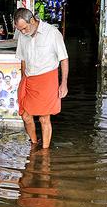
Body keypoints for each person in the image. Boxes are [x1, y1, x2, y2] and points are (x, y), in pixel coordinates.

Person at [14, 8, 68, 149]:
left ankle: (44, 151)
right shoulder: (22, 35)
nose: (23, 32)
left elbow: (64, 59)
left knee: (44, 118)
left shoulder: (52, 33)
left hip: (47, 79)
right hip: (29, 79)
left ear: (32, 20)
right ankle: (34, 143)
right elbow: (23, 59)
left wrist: (64, 84)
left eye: (24, 28)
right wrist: (23, 79)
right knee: (25, 115)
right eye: (20, 30)